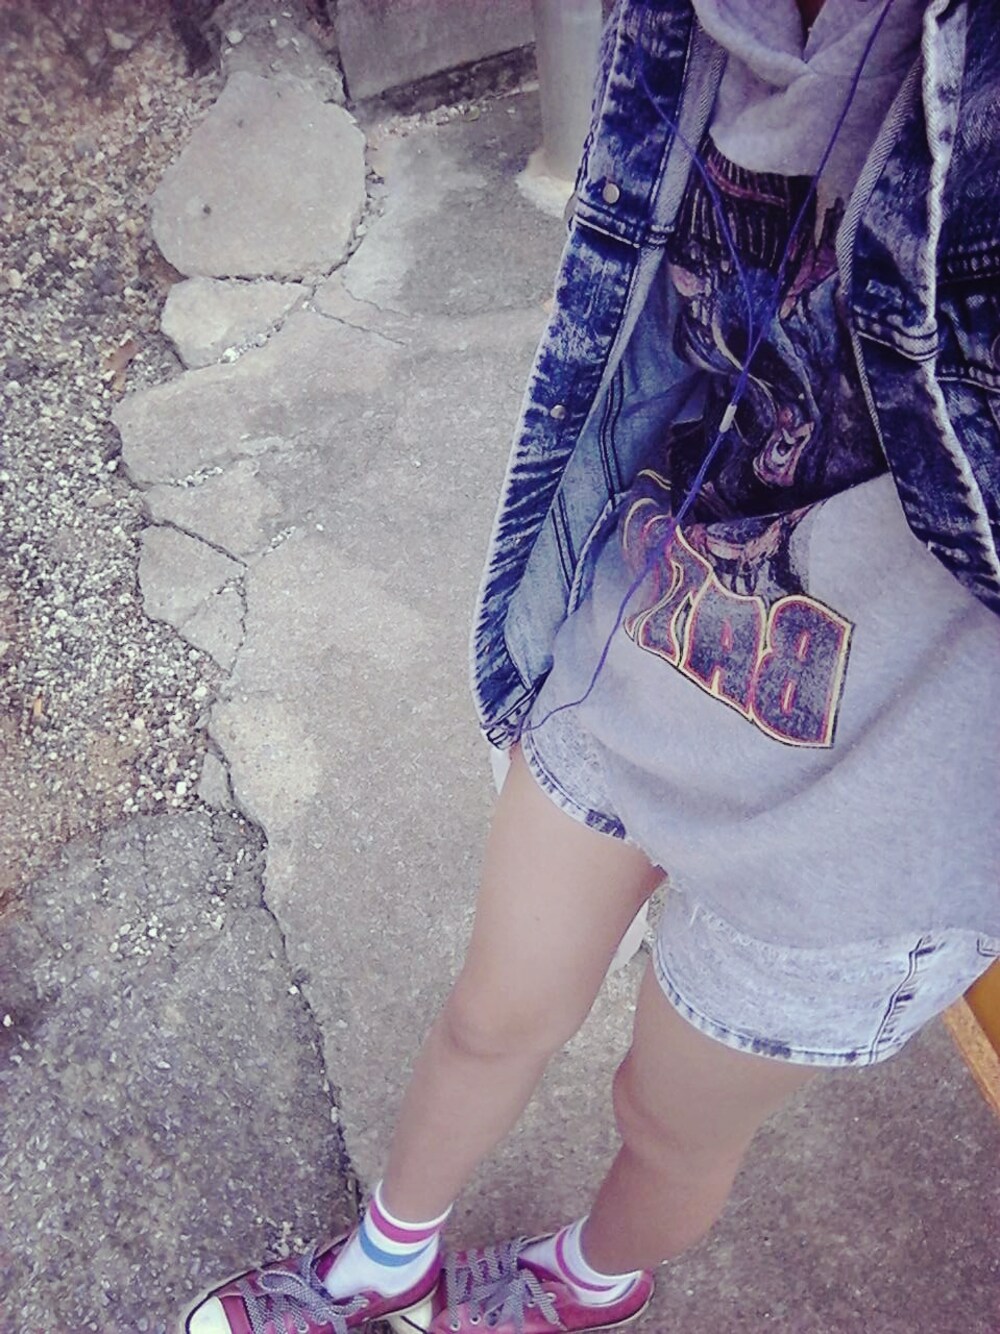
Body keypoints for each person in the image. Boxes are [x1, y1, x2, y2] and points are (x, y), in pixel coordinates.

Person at [183, 1, 1000, 1331]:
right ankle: (386, 1264)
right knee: (490, 1013)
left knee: (663, 1124)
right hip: (639, 641)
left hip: (873, 806)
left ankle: (584, 1281)